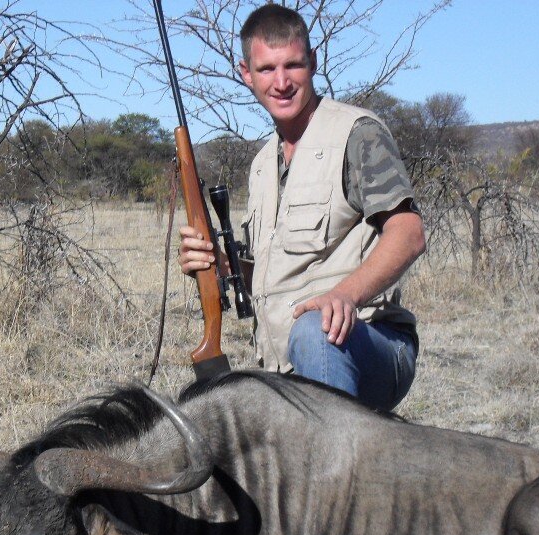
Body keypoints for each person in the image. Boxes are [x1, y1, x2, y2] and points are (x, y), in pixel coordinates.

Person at [179, 4, 425, 411]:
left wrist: (345, 295)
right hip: (285, 369)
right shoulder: (261, 165)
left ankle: (333, 464)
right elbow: (273, 274)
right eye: (266, 69)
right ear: (246, 74)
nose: (281, 82)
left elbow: (408, 233)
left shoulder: (356, 132)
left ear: (313, 62)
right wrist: (219, 265)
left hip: (372, 343)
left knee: (315, 330)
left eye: (292, 66)